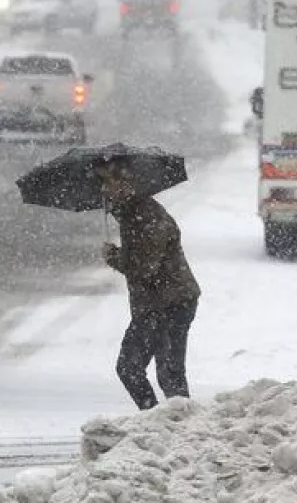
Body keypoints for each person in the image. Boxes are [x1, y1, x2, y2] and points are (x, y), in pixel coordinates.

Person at [96, 160, 201, 410]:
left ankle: (165, 427)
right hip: (160, 302)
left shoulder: (146, 217)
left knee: (149, 370)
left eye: (108, 182)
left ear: (127, 183)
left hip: (169, 303)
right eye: (101, 183)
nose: (104, 189)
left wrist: (113, 257)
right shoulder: (132, 213)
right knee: (162, 372)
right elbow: (143, 262)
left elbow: (144, 268)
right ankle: (164, 427)